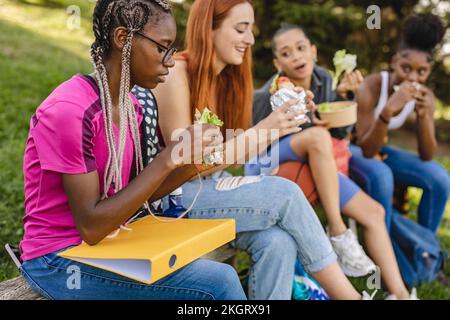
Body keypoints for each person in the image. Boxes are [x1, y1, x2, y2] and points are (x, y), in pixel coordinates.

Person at [19, 0, 246, 300]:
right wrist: (168, 157)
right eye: (162, 47)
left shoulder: (132, 106)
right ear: (123, 39)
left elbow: (142, 193)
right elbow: (90, 225)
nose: (170, 60)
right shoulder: (70, 111)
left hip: (109, 243)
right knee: (219, 282)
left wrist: (193, 161)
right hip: (58, 260)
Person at [153, 0, 373, 300]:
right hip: (172, 200)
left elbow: (232, 153)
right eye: (241, 29)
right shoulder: (176, 74)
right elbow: (185, 163)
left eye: (251, 30)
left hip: (208, 188)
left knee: (277, 241)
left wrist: (290, 111)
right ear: (209, 28)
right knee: (285, 194)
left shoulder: (226, 81)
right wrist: (267, 128)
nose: (251, 39)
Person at [247, 24, 415, 299]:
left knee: (374, 213)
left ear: (313, 51)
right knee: (316, 137)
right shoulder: (268, 94)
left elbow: (337, 132)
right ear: (278, 63)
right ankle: (338, 231)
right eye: (287, 53)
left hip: (314, 160)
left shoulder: (324, 80)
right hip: (271, 163)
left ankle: (400, 294)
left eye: (301, 48)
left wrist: (343, 97)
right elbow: (257, 145)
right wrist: (309, 124)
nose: (297, 57)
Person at [351, 13, 449, 234]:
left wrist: (424, 116)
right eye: (406, 67)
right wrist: (388, 110)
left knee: (440, 179)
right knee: (382, 176)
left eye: (421, 71)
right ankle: (385, 249)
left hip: (381, 153)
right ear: (394, 62)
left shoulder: (426, 96)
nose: (412, 78)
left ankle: (425, 251)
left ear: (429, 71)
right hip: (353, 151)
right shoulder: (372, 86)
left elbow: (427, 155)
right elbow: (366, 150)